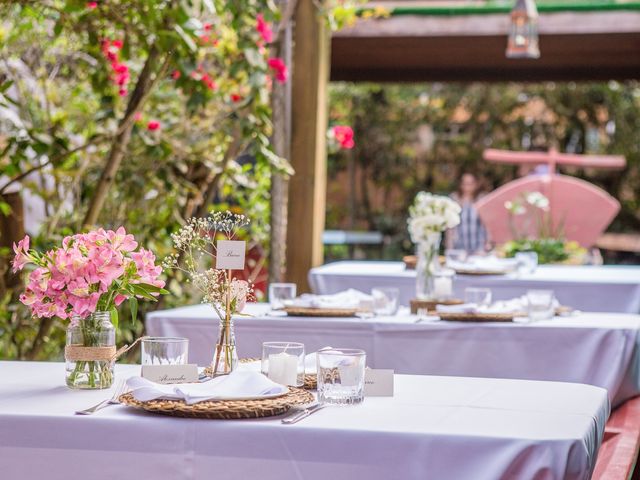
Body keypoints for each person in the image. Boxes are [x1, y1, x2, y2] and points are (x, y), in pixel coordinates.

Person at [446, 172, 490, 253]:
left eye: (470, 183)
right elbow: (450, 227)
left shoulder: (482, 198)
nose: (468, 186)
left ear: (476, 184)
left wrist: (488, 243)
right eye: (465, 183)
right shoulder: (454, 199)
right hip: (459, 246)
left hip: (479, 246)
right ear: (460, 184)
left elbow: (488, 223)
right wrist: (449, 249)